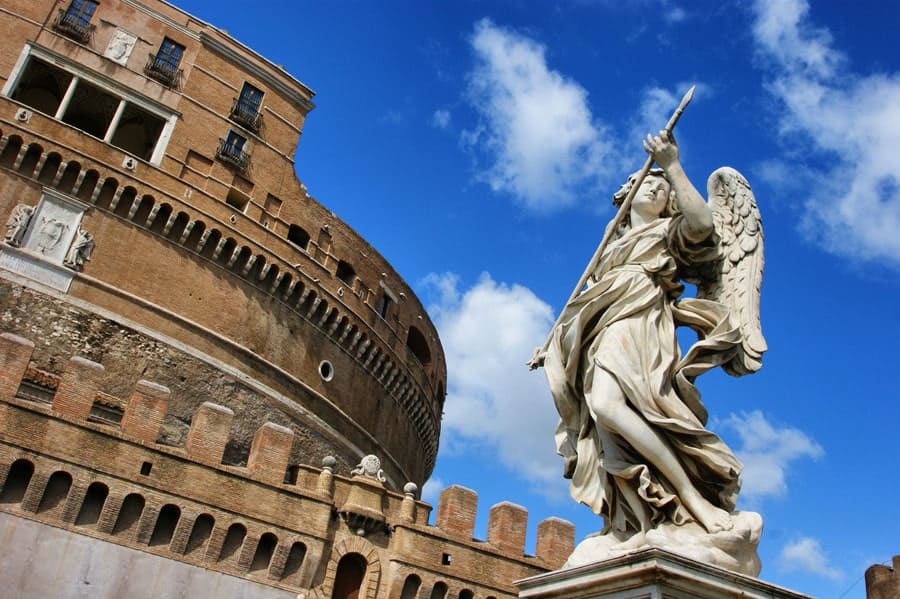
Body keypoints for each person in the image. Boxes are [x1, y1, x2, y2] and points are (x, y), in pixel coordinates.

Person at [541, 130, 744, 540]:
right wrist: (553, 347)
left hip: (639, 321)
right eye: (647, 181)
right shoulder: (609, 248)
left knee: (607, 404)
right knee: (604, 422)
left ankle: (693, 500)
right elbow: (582, 304)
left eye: (662, 188)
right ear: (627, 195)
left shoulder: (667, 233)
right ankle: (634, 521)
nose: (656, 186)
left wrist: (671, 164)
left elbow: (703, 224)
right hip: (598, 328)